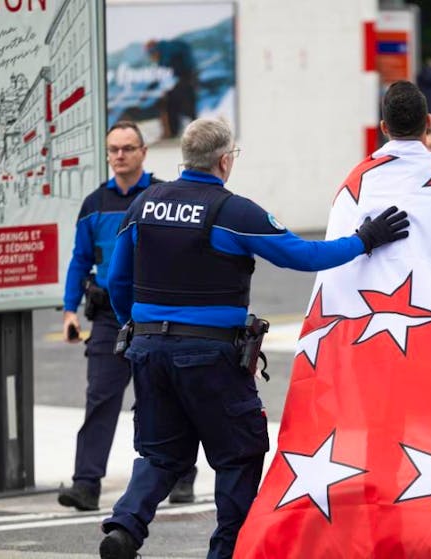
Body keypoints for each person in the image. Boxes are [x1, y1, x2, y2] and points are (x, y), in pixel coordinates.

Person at [233, 81, 431, 557]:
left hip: (362, 339)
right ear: (429, 124)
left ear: (382, 127)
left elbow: (333, 273)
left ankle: (366, 535)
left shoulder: (355, 185)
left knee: (369, 441)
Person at [98, 118, 411, 559]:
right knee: (238, 455)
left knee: (160, 455)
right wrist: (365, 240)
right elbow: (304, 256)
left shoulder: (144, 204)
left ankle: (125, 528)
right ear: (225, 160)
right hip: (210, 357)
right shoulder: (234, 212)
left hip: (148, 351)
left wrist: (136, 330)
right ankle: (225, 551)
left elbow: (117, 280)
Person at [59, 121, 197, 512]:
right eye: (113, 150)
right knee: (100, 397)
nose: (119, 156)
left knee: (169, 397)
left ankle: (182, 477)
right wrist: (69, 310)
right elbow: (80, 260)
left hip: (158, 313)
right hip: (109, 316)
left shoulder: (163, 197)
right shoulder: (94, 204)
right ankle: (86, 485)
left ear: (143, 153)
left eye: (127, 148)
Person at [146, 39, 198, 139]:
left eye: (150, 53)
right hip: (186, 81)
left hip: (182, 83)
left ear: (153, 50)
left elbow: (162, 75)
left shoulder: (165, 55)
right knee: (187, 109)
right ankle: (194, 132)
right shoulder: (168, 50)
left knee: (173, 107)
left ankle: (176, 133)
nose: (150, 57)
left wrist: (149, 89)